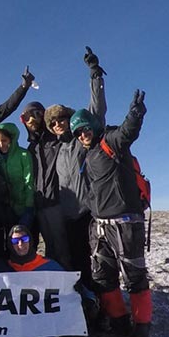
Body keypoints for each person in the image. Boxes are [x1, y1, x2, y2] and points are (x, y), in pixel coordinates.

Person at [76, 88, 152, 337]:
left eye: (85, 128)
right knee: (103, 278)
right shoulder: (88, 156)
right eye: (77, 132)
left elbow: (128, 132)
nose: (82, 135)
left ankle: (141, 332)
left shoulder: (111, 141)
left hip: (126, 223)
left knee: (134, 278)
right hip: (100, 226)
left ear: (94, 126)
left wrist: (135, 114)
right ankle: (120, 325)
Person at [53, 47, 108, 298]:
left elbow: (96, 112)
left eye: (61, 119)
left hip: (89, 213)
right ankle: (85, 304)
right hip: (69, 217)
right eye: (53, 123)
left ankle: (103, 305)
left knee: (97, 262)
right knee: (77, 264)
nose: (57, 124)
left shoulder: (81, 141)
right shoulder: (57, 150)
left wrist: (95, 74)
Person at [5, 224, 70, 337]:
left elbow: (71, 287)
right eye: (15, 241)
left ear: (31, 240)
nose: (20, 244)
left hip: (43, 322)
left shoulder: (49, 265)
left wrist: (87, 297)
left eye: (24, 239)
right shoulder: (4, 268)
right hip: (16, 322)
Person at [20, 100, 71, 268]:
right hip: (40, 204)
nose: (32, 120)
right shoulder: (31, 148)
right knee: (50, 248)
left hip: (58, 201)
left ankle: (70, 280)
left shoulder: (58, 139)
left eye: (36, 114)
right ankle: (54, 280)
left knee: (63, 247)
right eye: (27, 117)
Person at [0, 122, 34, 232]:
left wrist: (29, 207)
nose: (1, 145)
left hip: (25, 206)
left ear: (11, 139)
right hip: (10, 208)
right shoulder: (0, 159)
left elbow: (29, 181)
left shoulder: (23, 155)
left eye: (4, 140)